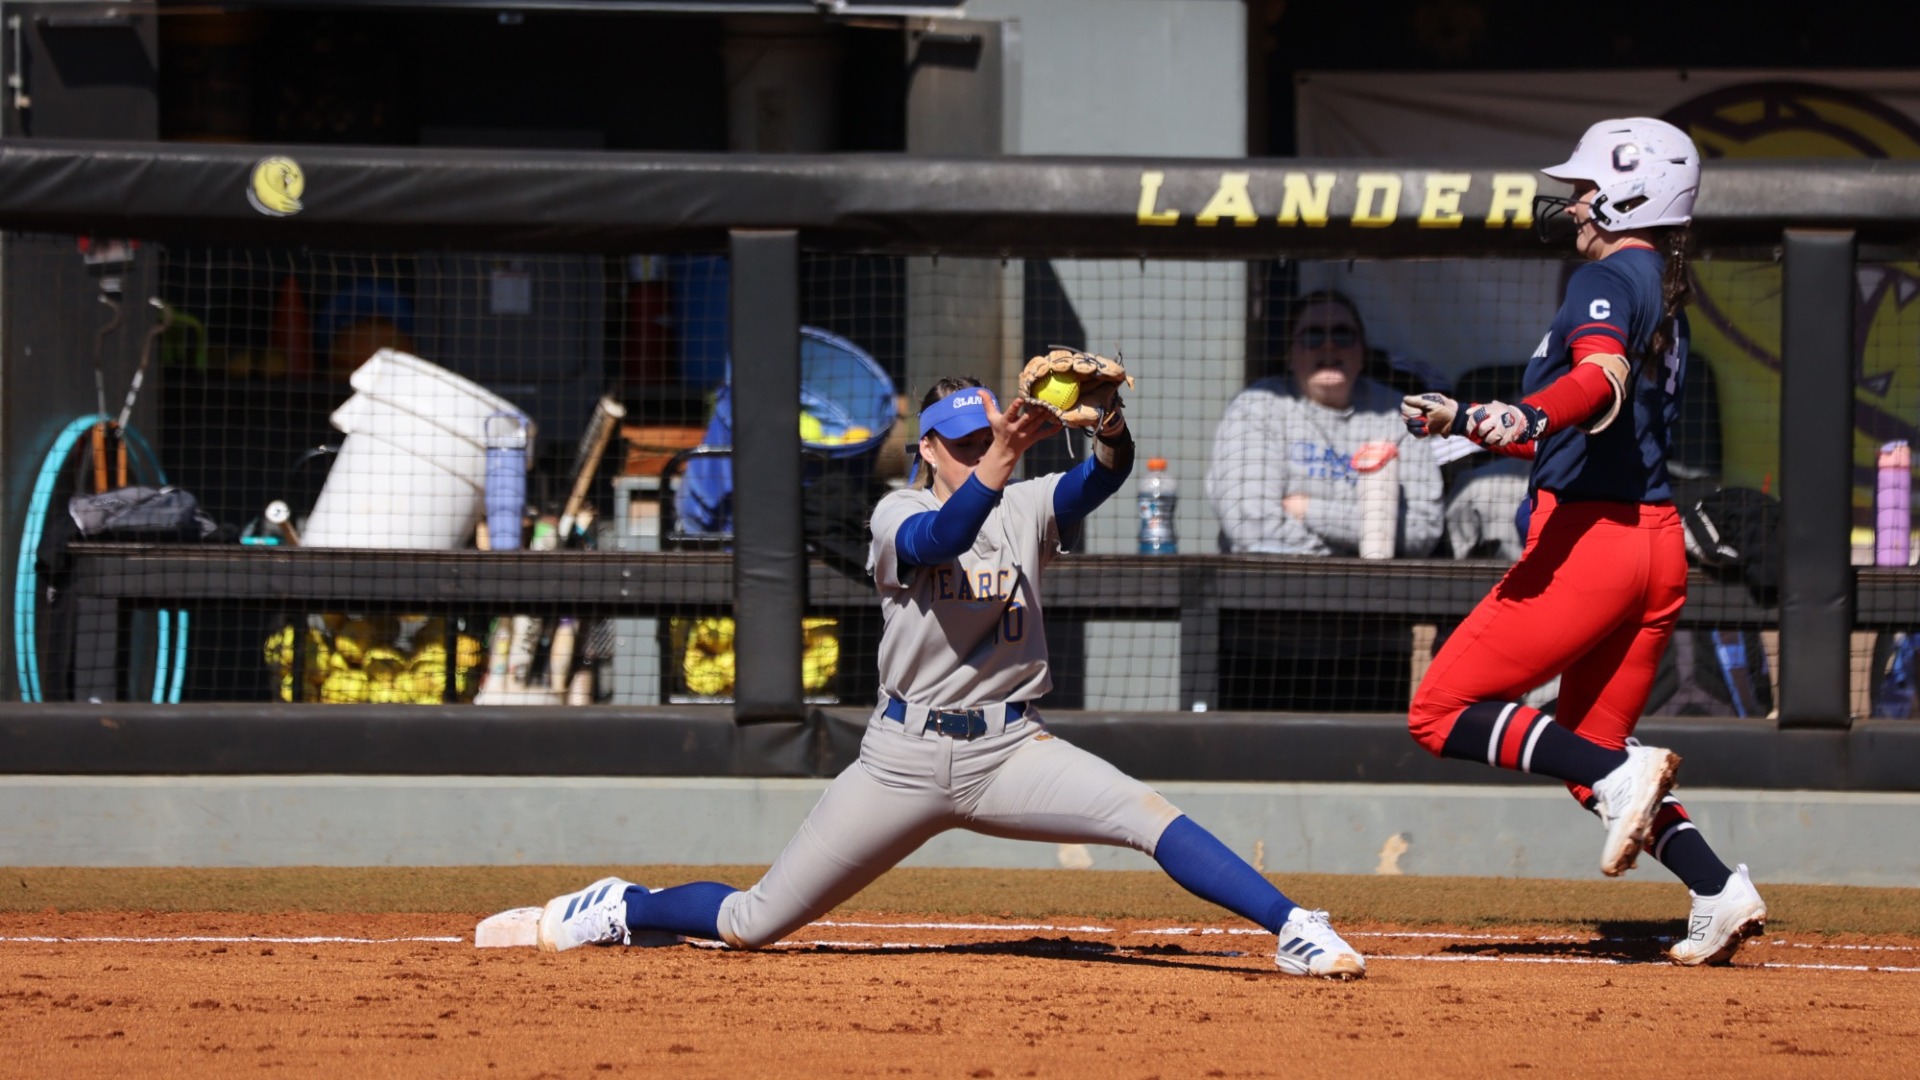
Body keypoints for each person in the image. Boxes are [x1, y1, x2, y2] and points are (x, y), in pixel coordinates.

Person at [533, 368, 1366, 979]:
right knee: (754, 923)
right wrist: (1001, 458)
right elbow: (945, 540)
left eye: (984, 441)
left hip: (1011, 751)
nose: (976, 456)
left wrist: (1108, 423)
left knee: (1147, 815)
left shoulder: (1026, 502)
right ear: (926, 449)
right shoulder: (898, 512)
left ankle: (1294, 925)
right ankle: (624, 906)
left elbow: (1104, 475)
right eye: (961, 446)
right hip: (901, 759)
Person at [1399, 117, 1767, 966]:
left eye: (1585, 189)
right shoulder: (1656, 286)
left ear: (1629, 196)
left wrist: (1527, 412)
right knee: (1589, 755)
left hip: (1592, 544)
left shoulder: (1607, 277)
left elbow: (1597, 380)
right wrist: (1472, 421)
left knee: (1438, 712)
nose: (1571, 204)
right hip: (1652, 545)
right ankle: (1718, 888)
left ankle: (1623, 777)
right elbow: (1594, 429)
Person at [1206, 290, 1444, 712]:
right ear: (1290, 353)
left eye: (1343, 335)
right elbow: (1249, 524)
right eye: (1313, 336)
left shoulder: (1399, 416)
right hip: (1264, 645)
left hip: (1371, 650)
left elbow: (1423, 529)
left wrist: (1310, 510)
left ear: (1362, 352)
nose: (1329, 346)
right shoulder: (1258, 408)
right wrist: (1363, 549)